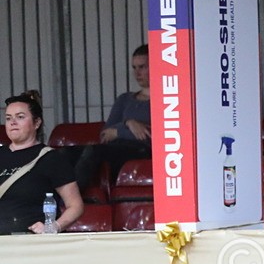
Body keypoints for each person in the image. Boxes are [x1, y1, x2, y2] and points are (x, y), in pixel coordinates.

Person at [1, 91, 83, 234]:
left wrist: (53, 227)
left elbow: (76, 206)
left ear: (37, 122)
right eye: (8, 118)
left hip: (33, 240)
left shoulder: (51, 158)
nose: (13, 122)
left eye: (20, 117)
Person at [73, 44, 152, 191]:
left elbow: (150, 135)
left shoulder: (166, 100)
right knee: (64, 154)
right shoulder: (124, 99)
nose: (137, 73)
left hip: (141, 150)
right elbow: (105, 134)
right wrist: (129, 123)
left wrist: (118, 131)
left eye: (142, 67)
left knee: (94, 152)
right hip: (115, 148)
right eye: (134, 68)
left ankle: (72, 200)